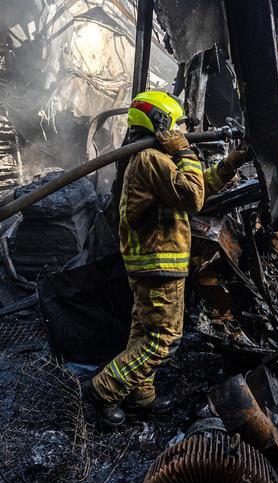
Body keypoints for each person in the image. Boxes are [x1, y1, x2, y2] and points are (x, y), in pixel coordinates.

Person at [90, 90, 249, 426]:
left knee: (144, 331)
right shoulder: (151, 159)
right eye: (174, 123)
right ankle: (106, 390)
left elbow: (197, 189)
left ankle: (140, 395)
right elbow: (192, 197)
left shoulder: (152, 160)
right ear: (158, 122)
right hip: (158, 263)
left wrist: (233, 161)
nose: (179, 129)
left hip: (154, 262)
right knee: (163, 338)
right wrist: (186, 151)